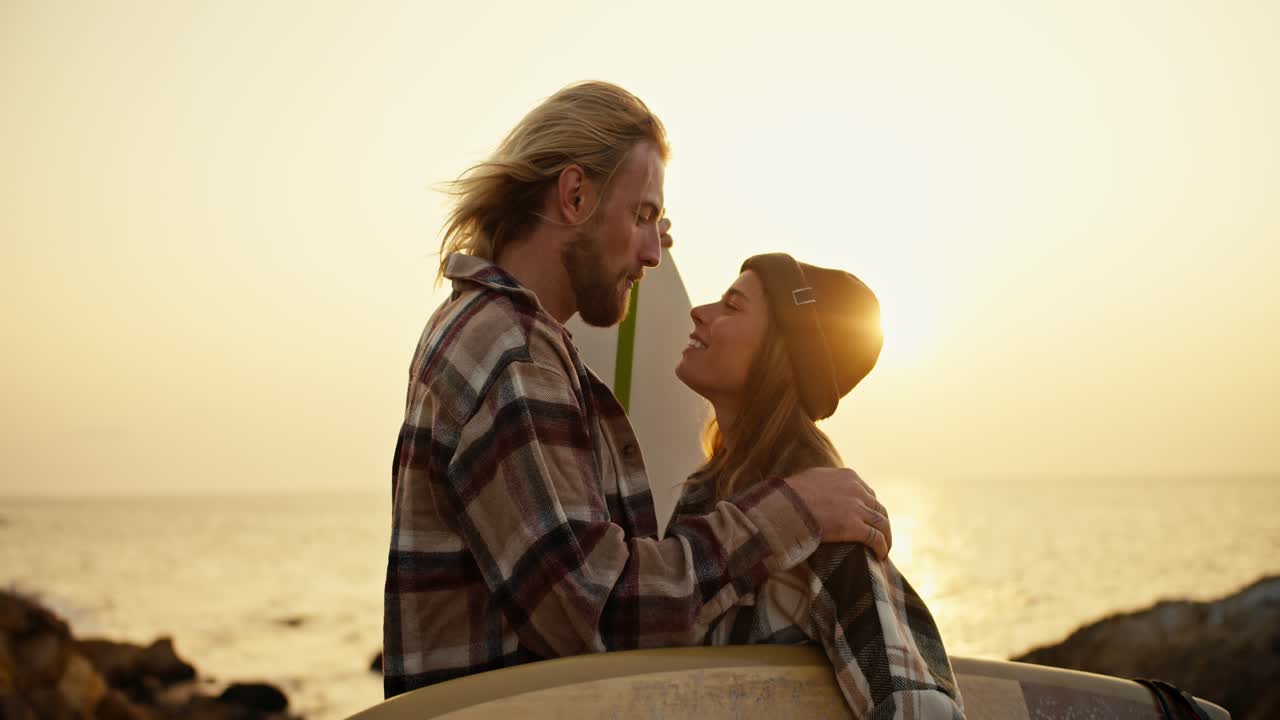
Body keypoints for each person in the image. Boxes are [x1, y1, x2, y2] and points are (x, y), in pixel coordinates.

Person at [383, 81, 892, 697]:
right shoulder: (516, 356)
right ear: (575, 196)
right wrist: (793, 511)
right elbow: (594, 611)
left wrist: (624, 235)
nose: (654, 254)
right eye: (643, 216)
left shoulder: (481, 328)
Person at [672, 253, 965, 717]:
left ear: (778, 354)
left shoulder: (827, 523)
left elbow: (916, 706)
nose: (699, 312)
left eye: (732, 306)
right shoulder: (704, 491)